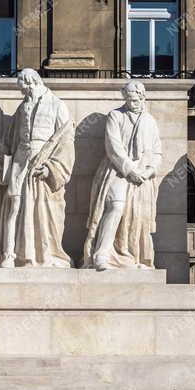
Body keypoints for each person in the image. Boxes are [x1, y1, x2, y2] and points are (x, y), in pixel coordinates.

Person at [0, 69, 75, 268]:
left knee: (41, 208)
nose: (23, 93)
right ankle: (9, 254)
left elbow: (66, 140)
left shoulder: (57, 104)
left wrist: (52, 168)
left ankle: (41, 254)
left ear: (33, 82)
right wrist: (0, 166)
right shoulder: (22, 108)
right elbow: (8, 140)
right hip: (20, 159)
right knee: (14, 204)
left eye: (24, 88)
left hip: (42, 162)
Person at [82, 80, 163, 270]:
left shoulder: (150, 121)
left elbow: (157, 152)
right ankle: (102, 253)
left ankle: (134, 255)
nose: (130, 103)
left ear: (142, 98)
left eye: (134, 100)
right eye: (127, 99)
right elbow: (113, 147)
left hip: (143, 174)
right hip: (117, 171)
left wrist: (150, 170)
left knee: (138, 215)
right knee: (116, 206)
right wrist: (129, 170)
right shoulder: (115, 116)